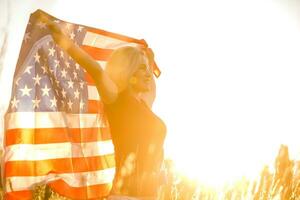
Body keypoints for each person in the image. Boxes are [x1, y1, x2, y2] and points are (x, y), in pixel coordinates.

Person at [35, 10, 166, 199]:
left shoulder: (145, 103)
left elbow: (152, 87)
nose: (148, 73)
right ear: (130, 74)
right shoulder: (116, 100)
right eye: (142, 68)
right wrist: (57, 33)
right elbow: (94, 67)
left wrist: (149, 60)